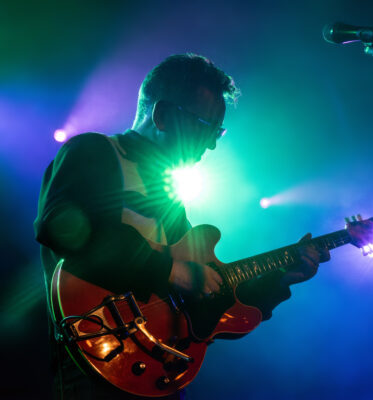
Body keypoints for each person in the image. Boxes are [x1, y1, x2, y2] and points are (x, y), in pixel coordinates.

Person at [34, 53, 330, 399]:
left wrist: (279, 280)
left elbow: (204, 298)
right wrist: (173, 270)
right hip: (94, 358)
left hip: (156, 368)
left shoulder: (170, 198)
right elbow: (63, 230)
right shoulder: (94, 151)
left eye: (218, 130)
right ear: (161, 115)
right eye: (204, 126)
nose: (212, 143)